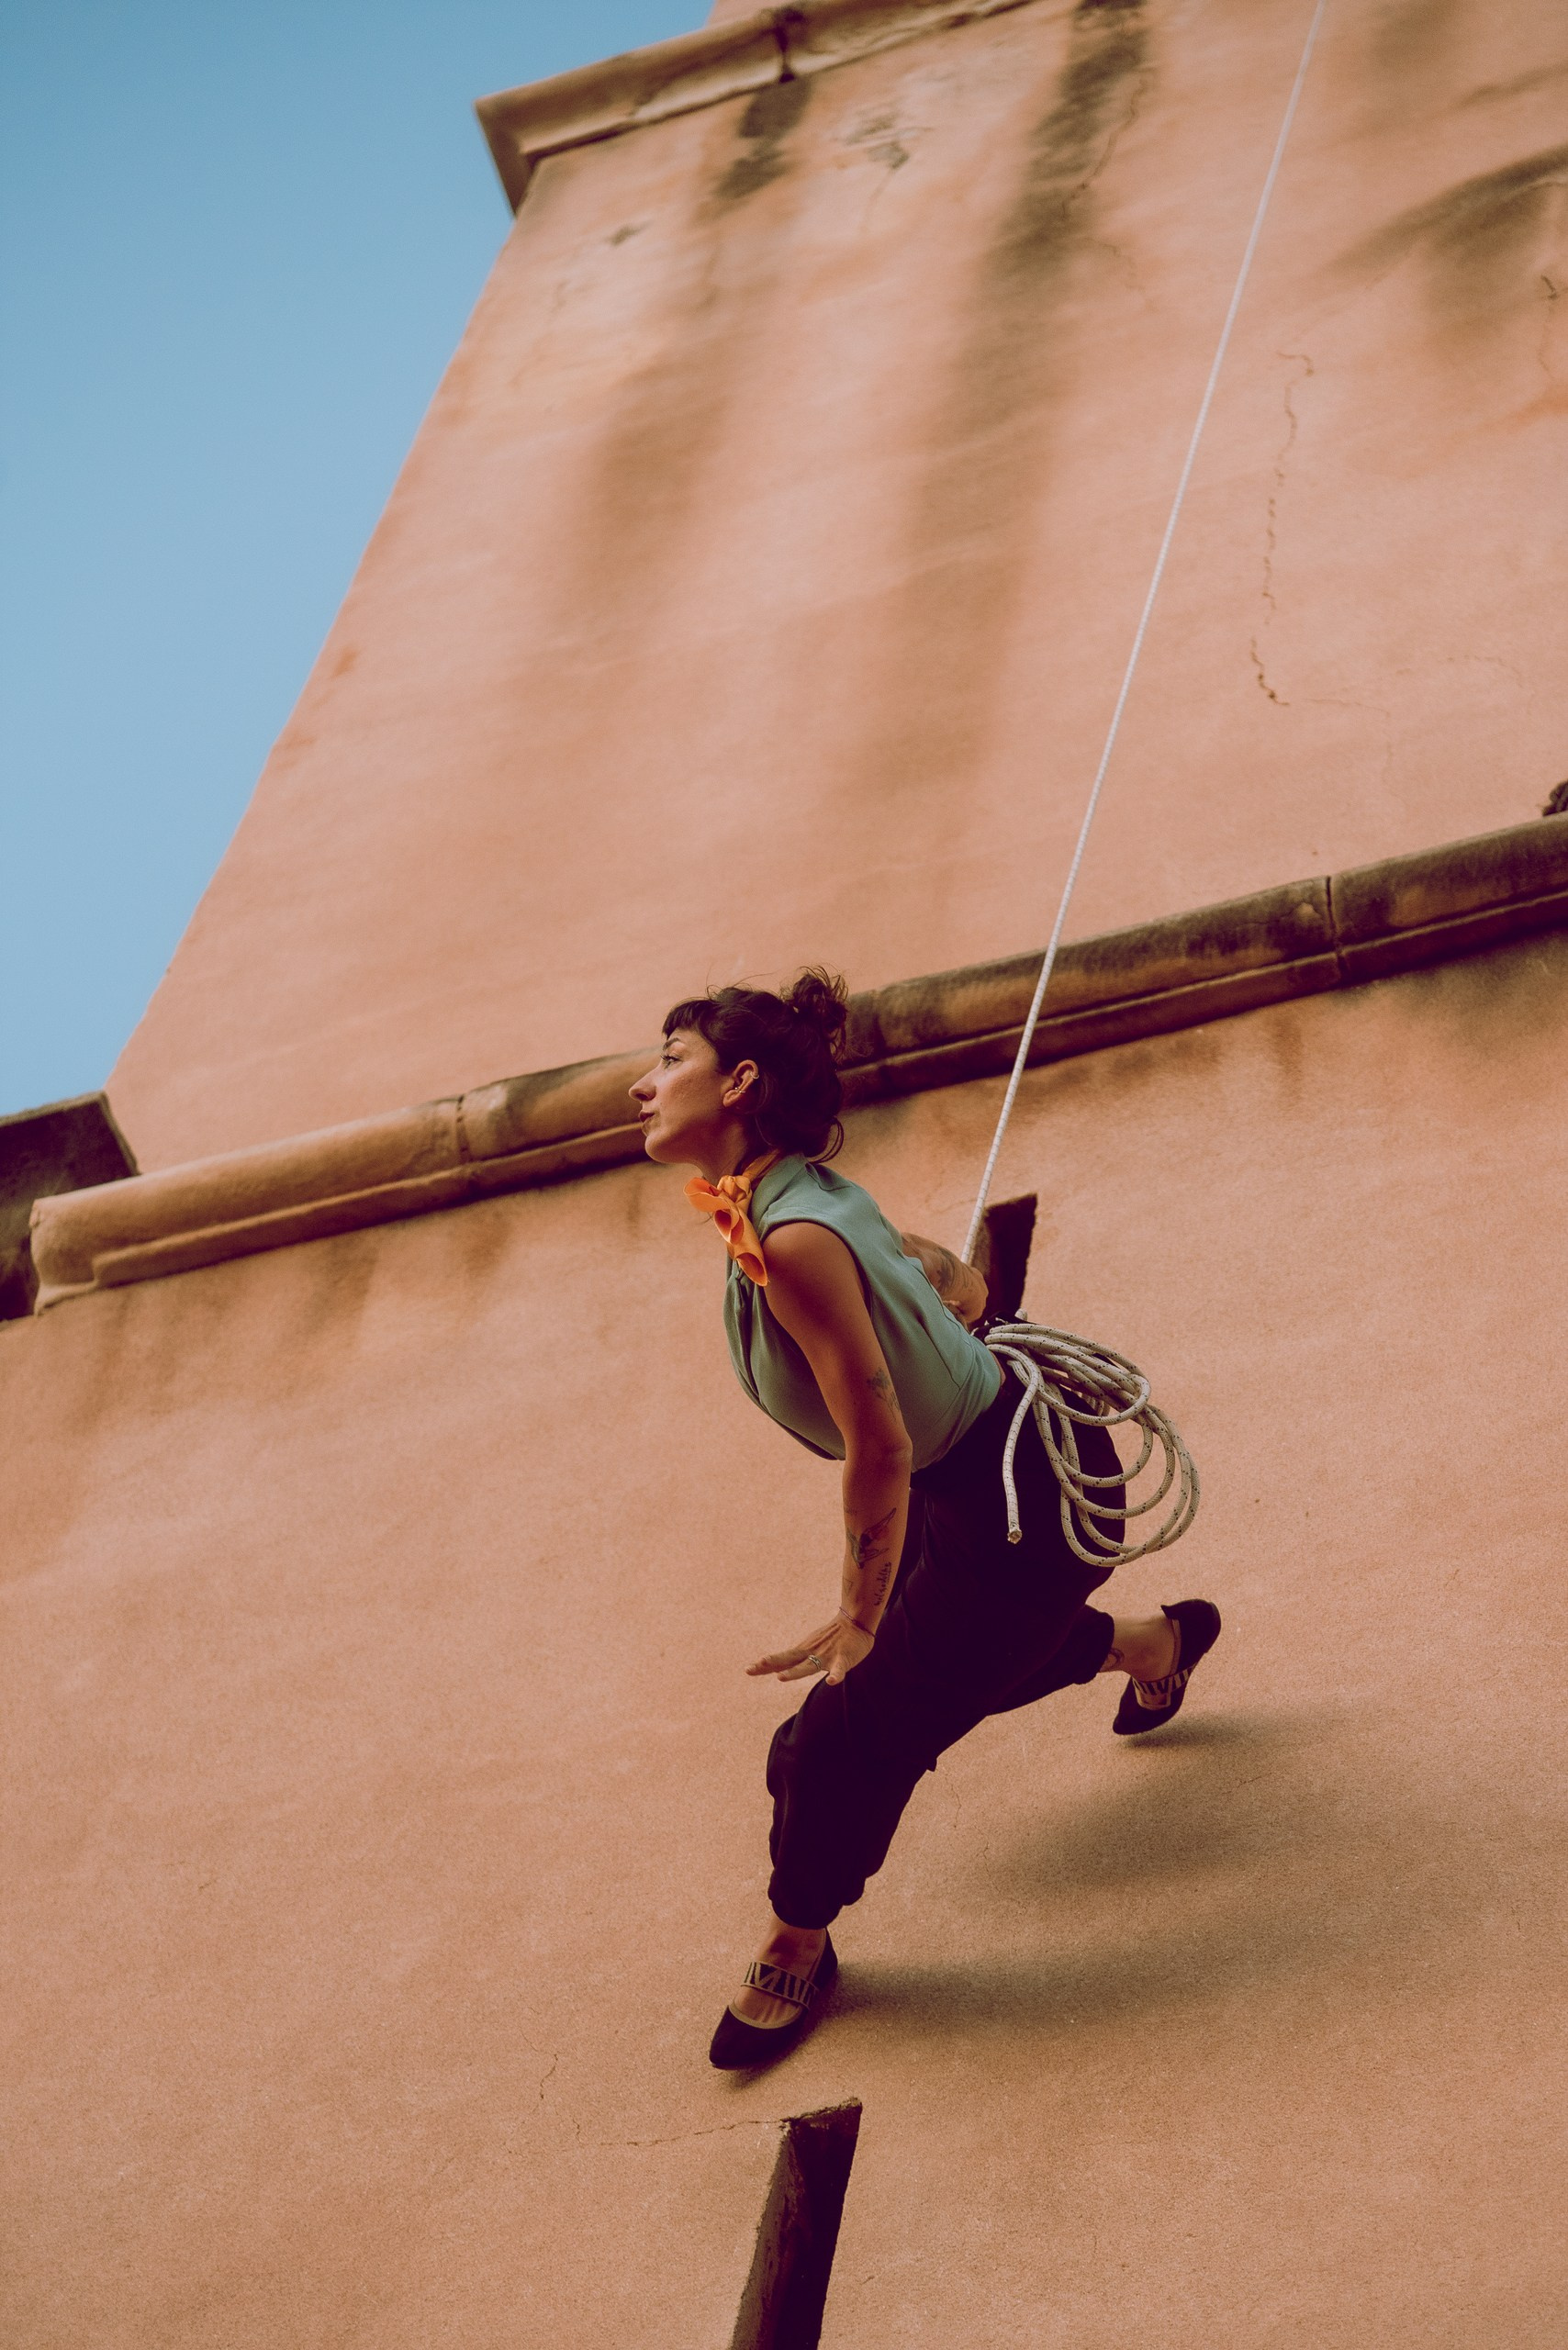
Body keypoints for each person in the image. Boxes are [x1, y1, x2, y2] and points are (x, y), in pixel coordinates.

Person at [630, 969, 1221, 2069]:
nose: (642, 1083)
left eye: (670, 1061)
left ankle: (795, 1942)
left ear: (740, 1083)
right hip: (981, 1487)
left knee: (831, 1741)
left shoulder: (792, 1237)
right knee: (948, 1672)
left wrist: (857, 1613)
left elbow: (882, 1448)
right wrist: (944, 1286)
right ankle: (1149, 1644)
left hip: (1014, 1503)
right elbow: (935, 1271)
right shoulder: (793, 1194)